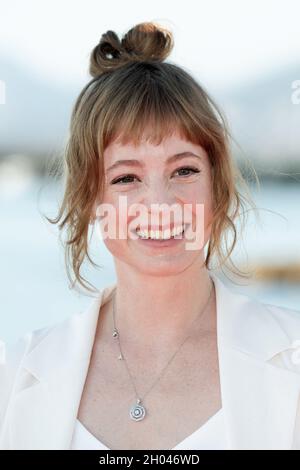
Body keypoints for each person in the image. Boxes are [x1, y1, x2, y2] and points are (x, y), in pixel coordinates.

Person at [1, 21, 300, 451]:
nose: (160, 205)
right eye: (126, 178)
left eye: (184, 170)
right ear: (89, 198)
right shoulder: (16, 375)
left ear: (217, 186)